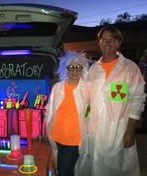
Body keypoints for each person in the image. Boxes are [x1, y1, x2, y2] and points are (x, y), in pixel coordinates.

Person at [76, 26, 146, 176]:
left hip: (118, 130)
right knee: (95, 167)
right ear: (99, 42)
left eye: (112, 40)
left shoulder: (130, 68)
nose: (107, 44)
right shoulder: (93, 69)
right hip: (93, 129)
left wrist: (130, 130)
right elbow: (86, 99)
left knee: (118, 169)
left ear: (118, 43)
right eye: (104, 40)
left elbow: (137, 100)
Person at [45, 51, 90, 176]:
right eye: (71, 67)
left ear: (83, 69)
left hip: (74, 139)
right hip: (56, 135)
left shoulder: (87, 89)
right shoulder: (57, 87)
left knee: (64, 170)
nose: (74, 71)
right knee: (61, 169)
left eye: (78, 67)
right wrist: (46, 123)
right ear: (66, 69)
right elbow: (49, 108)